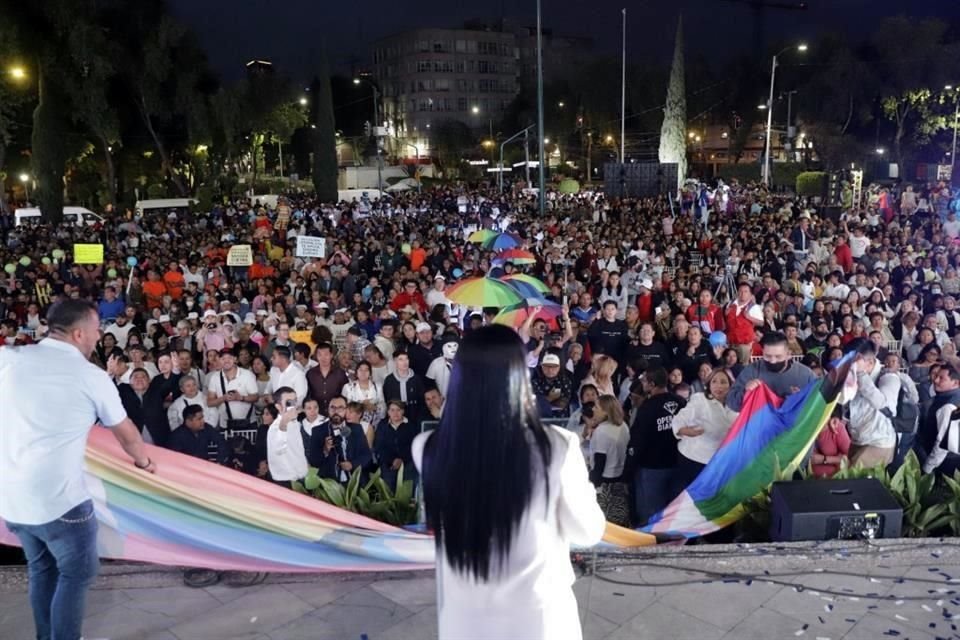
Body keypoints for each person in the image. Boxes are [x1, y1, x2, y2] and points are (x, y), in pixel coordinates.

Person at [412, 325, 605, 640]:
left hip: (464, 622)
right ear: (519, 377)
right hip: (539, 621)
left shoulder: (428, 448)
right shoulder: (557, 447)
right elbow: (587, 531)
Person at [1, 299, 155, 640]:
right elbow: (127, 434)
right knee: (76, 573)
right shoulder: (90, 376)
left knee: (42, 569)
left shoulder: (9, 359)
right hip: (60, 504)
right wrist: (144, 462)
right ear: (79, 333)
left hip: (11, 500)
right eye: (98, 330)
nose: (99, 337)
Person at [626, 366, 686, 527]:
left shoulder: (647, 408)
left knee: (651, 515)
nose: (643, 384)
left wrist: (629, 466)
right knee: (673, 511)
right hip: (677, 464)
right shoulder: (680, 402)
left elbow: (638, 440)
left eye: (645, 381)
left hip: (651, 468)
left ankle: (652, 548)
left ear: (651, 384)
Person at [670, 368, 738, 486]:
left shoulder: (735, 404)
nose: (718, 386)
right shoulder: (700, 400)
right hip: (696, 460)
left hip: (722, 461)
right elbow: (679, 419)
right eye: (714, 382)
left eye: (723, 382)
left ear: (730, 385)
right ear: (708, 384)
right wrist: (685, 430)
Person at [726, 331, 817, 412]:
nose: (773, 361)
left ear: (788, 354)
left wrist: (803, 398)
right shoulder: (752, 371)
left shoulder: (805, 374)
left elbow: (819, 401)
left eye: (778, 356)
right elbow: (732, 403)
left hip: (793, 426)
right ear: (762, 353)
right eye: (768, 356)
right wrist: (746, 392)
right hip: (762, 426)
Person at [845, 340, 898, 468]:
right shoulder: (850, 375)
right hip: (857, 437)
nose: (850, 366)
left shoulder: (889, 377)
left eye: (852, 362)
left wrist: (861, 374)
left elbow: (883, 403)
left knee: (855, 481)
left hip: (879, 440)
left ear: (869, 361)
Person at [587, 394, 631, 527]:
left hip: (604, 485)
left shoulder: (601, 431)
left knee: (604, 526)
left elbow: (600, 463)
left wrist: (592, 485)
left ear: (606, 411)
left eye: (596, 406)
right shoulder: (623, 426)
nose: (593, 409)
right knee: (619, 522)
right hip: (621, 482)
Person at [311, 396, 373, 483]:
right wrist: (325, 450)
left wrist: (352, 465)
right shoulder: (317, 431)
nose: (336, 411)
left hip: (354, 481)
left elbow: (367, 456)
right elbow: (314, 462)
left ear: (346, 410)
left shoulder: (356, 429)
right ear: (327, 410)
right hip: (330, 483)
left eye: (340, 408)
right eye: (333, 408)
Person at [265, 386, 308, 487]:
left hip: (301, 478)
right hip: (285, 482)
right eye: (289, 403)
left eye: (295, 401)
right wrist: (284, 422)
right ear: (278, 407)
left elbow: (298, 449)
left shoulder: (295, 423)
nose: (293, 406)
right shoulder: (275, 428)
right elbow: (279, 449)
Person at [374, 399, 418, 491]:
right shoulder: (382, 425)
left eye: (398, 410)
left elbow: (414, 446)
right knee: (388, 489)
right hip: (389, 463)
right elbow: (379, 446)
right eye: (392, 410)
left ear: (403, 411)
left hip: (407, 462)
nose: (395, 413)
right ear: (388, 412)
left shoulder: (411, 425)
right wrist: (393, 460)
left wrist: (402, 460)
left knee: (408, 489)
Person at [306, 342, 350, 415]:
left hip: (336, 413)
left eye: (326, 354)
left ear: (331, 355)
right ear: (316, 356)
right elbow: (308, 395)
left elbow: (346, 393)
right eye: (320, 355)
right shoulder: (310, 374)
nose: (323, 358)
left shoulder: (340, 373)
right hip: (317, 413)